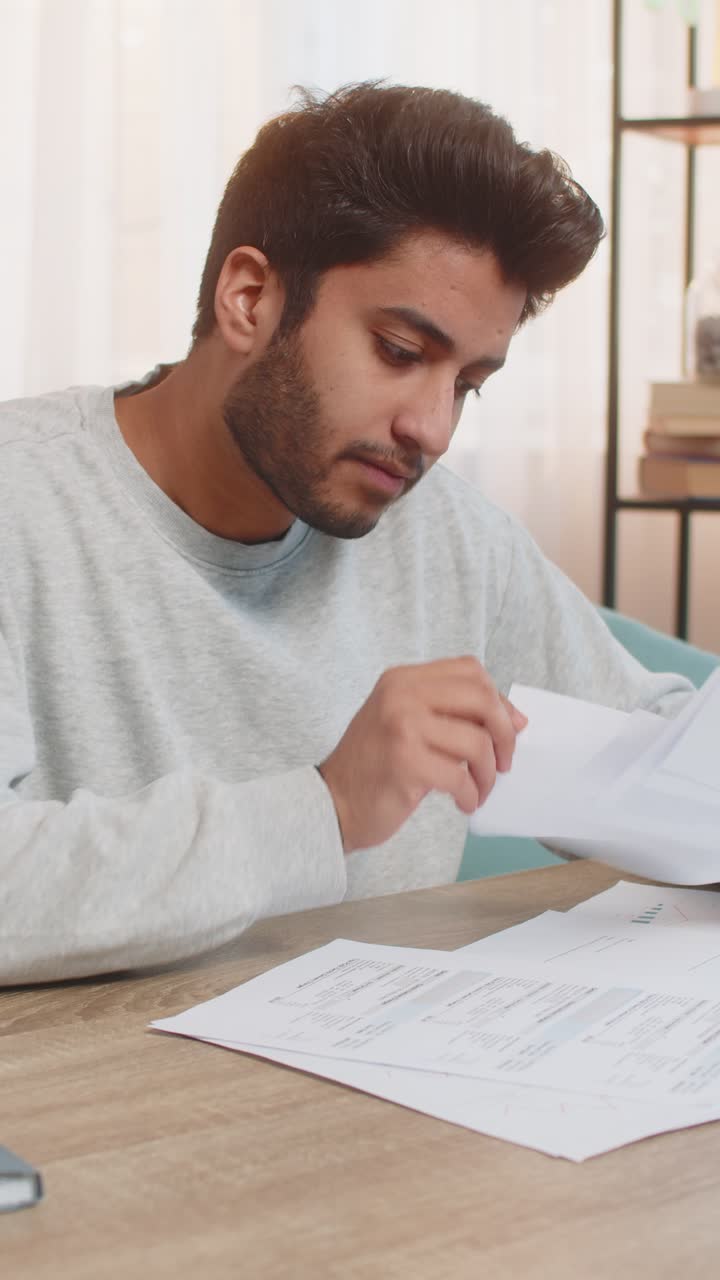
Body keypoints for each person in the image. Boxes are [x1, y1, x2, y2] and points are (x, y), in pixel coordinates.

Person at [0, 83, 692, 984]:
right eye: (400, 352)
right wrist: (327, 810)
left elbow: (663, 750)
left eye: (467, 386)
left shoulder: (447, 539)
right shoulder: (23, 502)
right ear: (249, 298)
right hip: (90, 1076)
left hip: (384, 1064)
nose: (431, 429)